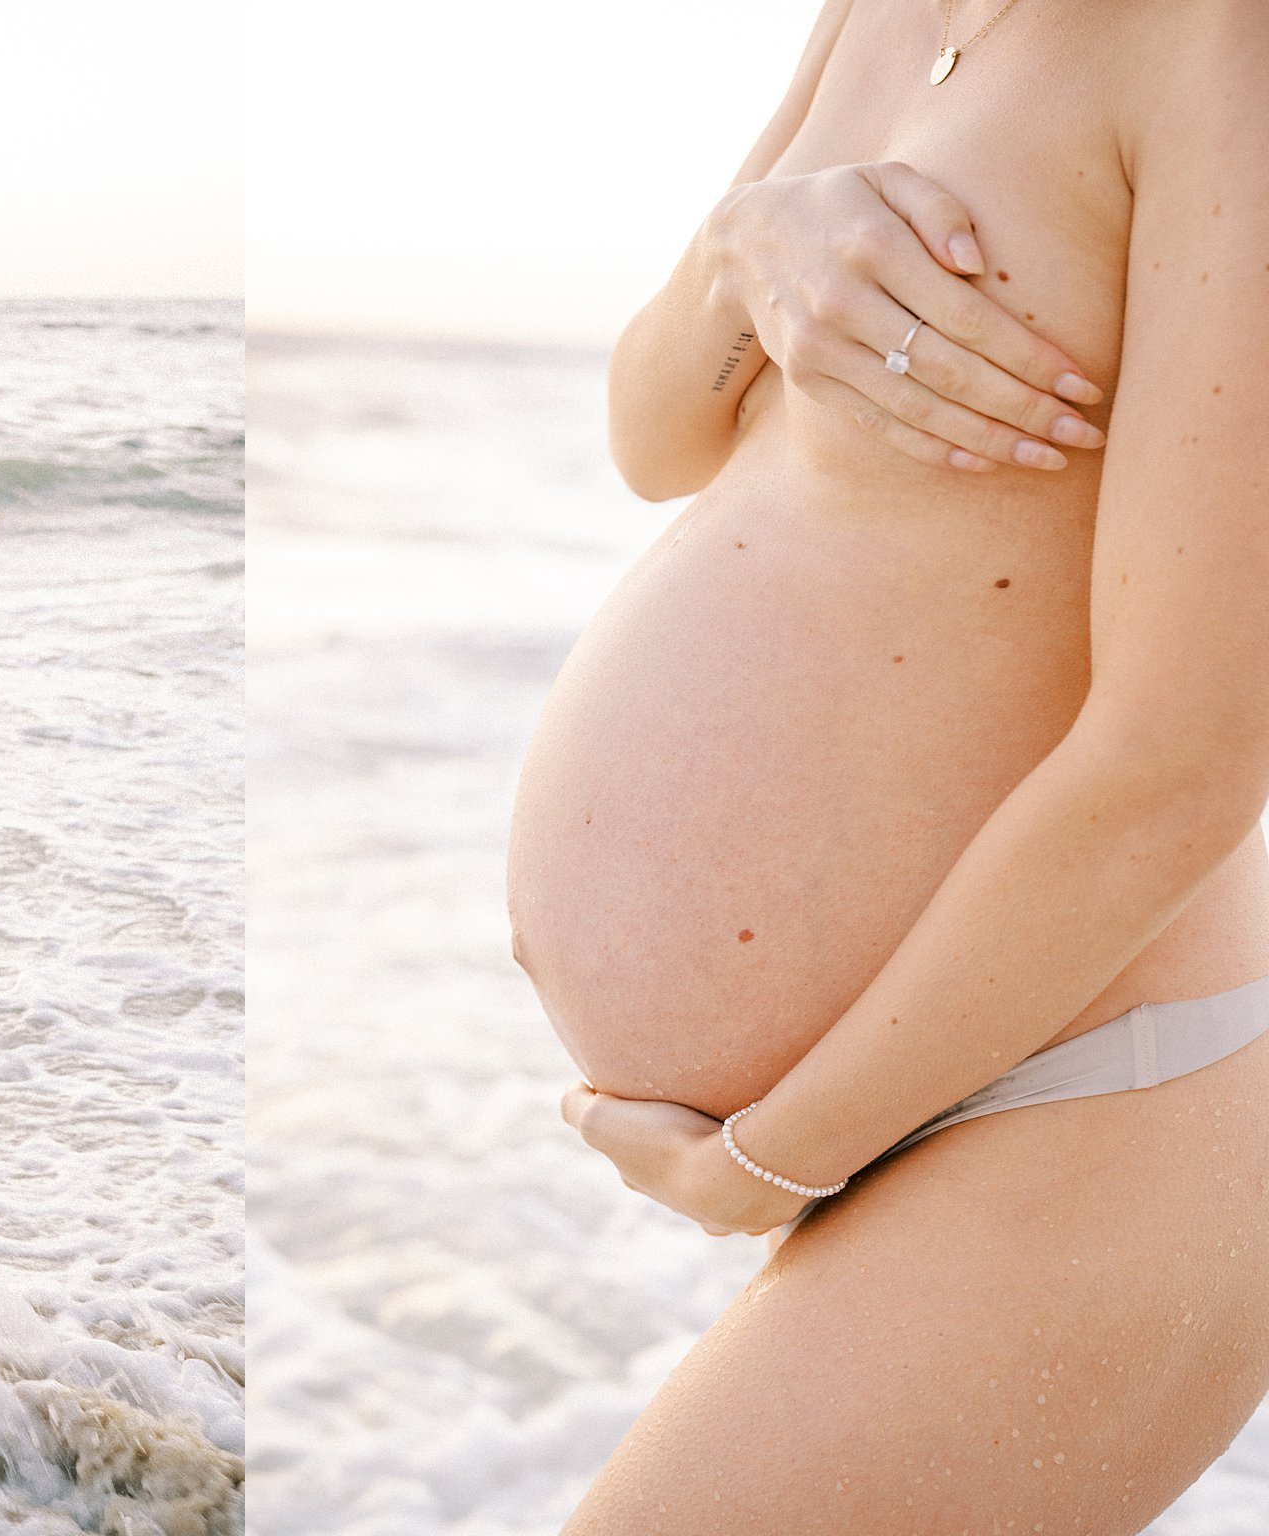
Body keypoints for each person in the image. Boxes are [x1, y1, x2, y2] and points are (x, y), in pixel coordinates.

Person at [505, 0, 1269, 1528]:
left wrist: (777, 1160)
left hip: (1079, 1098)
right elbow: (657, 436)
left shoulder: (1219, 49)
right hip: (913, 1094)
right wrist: (747, 257)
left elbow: (1184, 763)